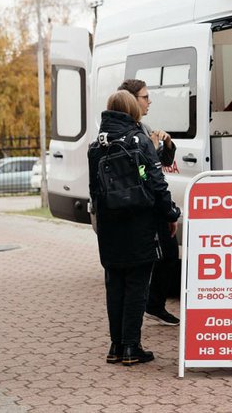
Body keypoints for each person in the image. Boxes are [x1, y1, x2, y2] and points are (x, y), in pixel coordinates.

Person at [88, 90, 181, 366]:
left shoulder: (97, 145)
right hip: (139, 223)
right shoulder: (139, 140)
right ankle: (132, 347)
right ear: (132, 110)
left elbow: (95, 190)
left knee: (114, 285)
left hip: (109, 226)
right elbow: (155, 182)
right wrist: (170, 213)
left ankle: (115, 346)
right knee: (137, 285)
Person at [117, 79, 180, 326]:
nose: (149, 101)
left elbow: (160, 163)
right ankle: (142, 314)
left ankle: (154, 305)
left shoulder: (144, 127)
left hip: (154, 204)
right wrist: (152, 150)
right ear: (133, 100)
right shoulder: (127, 132)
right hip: (142, 206)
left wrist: (166, 143)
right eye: (145, 97)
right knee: (149, 262)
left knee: (169, 255)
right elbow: (143, 170)